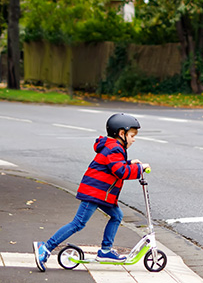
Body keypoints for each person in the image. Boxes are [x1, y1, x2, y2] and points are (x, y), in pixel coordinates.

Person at [33, 113, 150, 272]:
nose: (134, 139)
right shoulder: (114, 148)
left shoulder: (113, 147)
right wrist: (138, 169)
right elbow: (120, 171)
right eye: (132, 135)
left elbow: (115, 165)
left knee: (117, 216)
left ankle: (106, 251)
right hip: (94, 193)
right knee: (78, 223)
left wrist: (130, 163)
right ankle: (45, 247)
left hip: (101, 194)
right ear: (121, 133)